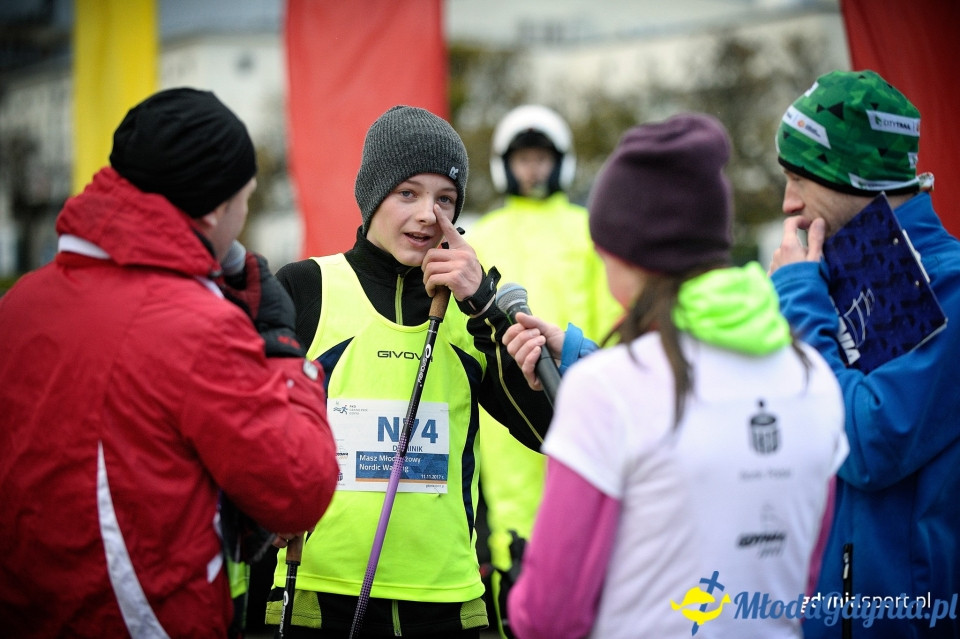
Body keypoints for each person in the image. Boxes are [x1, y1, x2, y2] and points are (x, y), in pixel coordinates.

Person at [0, 88, 339, 638]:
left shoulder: (19, 305)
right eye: (244, 199)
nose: (244, 217)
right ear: (212, 209)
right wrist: (281, 346)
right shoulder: (195, 325)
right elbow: (298, 490)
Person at [503, 113, 848, 638]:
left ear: (624, 251)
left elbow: (550, 615)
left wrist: (519, 598)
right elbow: (807, 577)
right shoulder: (812, 374)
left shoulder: (606, 390)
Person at [264, 105, 554, 637]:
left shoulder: (473, 307)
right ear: (373, 194)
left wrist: (485, 307)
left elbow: (548, 429)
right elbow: (254, 427)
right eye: (407, 193)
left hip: (446, 599)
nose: (427, 215)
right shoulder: (306, 286)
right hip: (324, 593)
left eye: (445, 199)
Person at [768, 69, 960, 638]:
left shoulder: (948, 286)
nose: (788, 202)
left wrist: (799, 303)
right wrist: (580, 358)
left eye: (800, 178)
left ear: (855, 178)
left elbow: (867, 443)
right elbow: (731, 397)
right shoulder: (828, 273)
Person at [467, 104, 620, 637]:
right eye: (523, 160)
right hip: (507, 408)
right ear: (505, 165)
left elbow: (612, 317)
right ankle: (519, 611)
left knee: (584, 518)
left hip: (579, 397)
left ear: (560, 163)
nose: (532, 169)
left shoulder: (588, 229)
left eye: (541, 159)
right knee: (514, 529)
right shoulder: (484, 233)